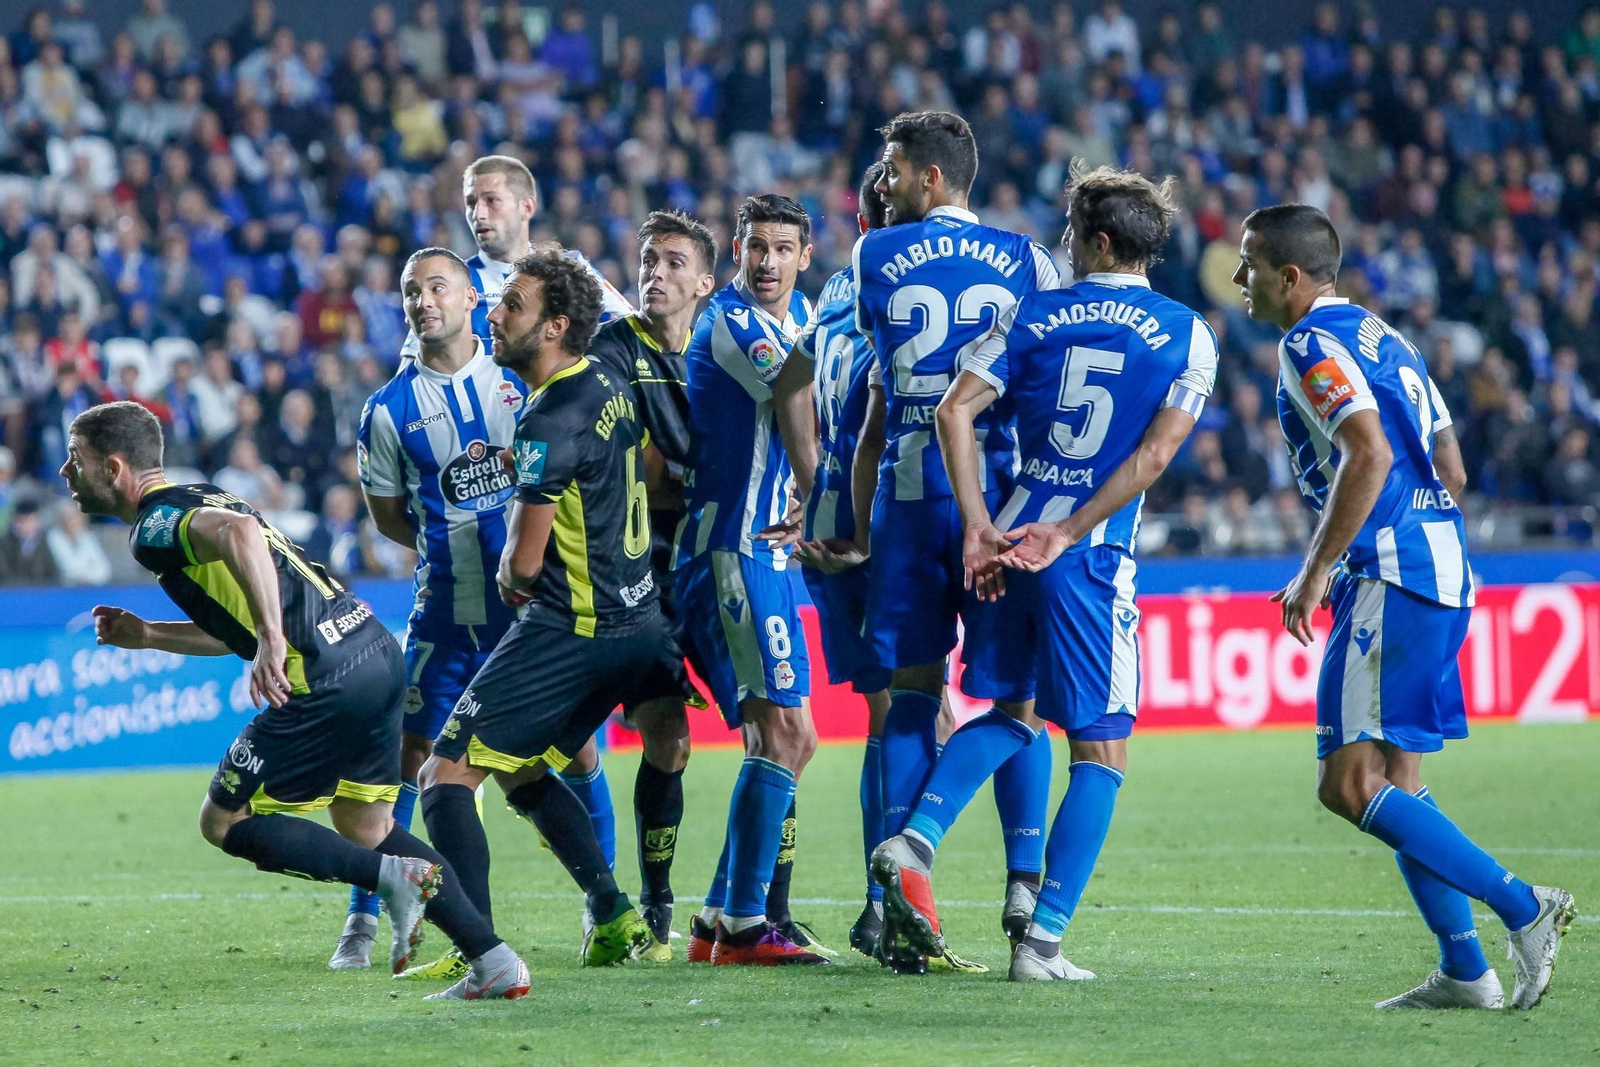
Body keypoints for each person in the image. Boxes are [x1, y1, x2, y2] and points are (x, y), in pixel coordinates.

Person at [874, 165, 1218, 983]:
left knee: (1016, 709)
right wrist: (1069, 530)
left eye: (1069, 234)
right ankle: (1044, 942)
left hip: (1013, 533)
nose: (1064, 245)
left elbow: (954, 409)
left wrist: (981, 529)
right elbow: (1156, 454)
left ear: (1094, 240)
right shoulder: (1185, 330)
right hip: (1085, 552)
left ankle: (912, 835)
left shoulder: (1034, 313)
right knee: (1102, 752)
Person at [59, 400, 528, 1000]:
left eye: (76, 462)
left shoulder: (154, 528)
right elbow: (246, 615)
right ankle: (494, 961)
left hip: (324, 676)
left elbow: (241, 537)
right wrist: (150, 635)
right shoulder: (203, 493)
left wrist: (275, 643)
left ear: (116, 468)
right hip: (373, 650)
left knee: (222, 820)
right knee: (366, 823)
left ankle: (396, 881)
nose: (66, 475)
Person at [1233, 203, 1574, 1011]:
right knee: (1399, 779)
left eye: (1249, 264)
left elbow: (1370, 449)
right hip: (1440, 562)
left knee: (1348, 784)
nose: (1239, 278)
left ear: (1290, 277)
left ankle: (1526, 907)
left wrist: (1319, 569)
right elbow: (1448, 467)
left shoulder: (1308, 343)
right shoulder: (1389, 340)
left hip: (1391, 571)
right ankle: (1465, 969)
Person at [418, 249, 684, 968]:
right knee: (519, 764)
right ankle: (615, 912)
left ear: (554, 327)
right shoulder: (606, 375)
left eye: (511, 305)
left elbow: (524, 566)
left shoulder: (547, 420)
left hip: (575, 629)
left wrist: (509, 565)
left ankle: (482, 954)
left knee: (442, 777)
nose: (495, 315)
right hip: (642, 619)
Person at [846, 111, 1060, 964]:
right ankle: (1024, 879)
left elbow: (882, 356)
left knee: (910, 692)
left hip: (908, 491)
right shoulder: (1025, 258)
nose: (882, 183)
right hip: (998, 495)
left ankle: (902, 895)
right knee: (1017, 700)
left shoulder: (870, 255)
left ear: (931, 177)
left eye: (893, 169)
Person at [337, 246, 520, 972]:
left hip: (523, 614)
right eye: (411, 291)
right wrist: (450, 541)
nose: (421, 300)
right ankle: (363, 917)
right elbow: (389, 517)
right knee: (406, 761)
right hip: (443, 615)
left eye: (435, 286)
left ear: (472, 296)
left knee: (572, 755)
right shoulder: (386, 409)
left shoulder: (516, 380)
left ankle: (610, 912)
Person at [675, 194, 829, 966]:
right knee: (788, 732)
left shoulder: (797, 318)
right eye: (754, 246)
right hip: (734, 548)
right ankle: (740, 924)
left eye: (782, 248)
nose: (766, 261)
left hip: (763, 551)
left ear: (805, 256)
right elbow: (795, 390)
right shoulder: (733, 321)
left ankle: (717, 915)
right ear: (736, 251)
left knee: (779, 737)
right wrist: (824, 502)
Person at [767, 163, 898, 959]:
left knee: (895, 717)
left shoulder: (835, 296)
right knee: (926, 715)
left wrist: (813, 488)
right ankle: (889, 900)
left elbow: (791, 382)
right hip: (887, 528)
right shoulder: (912, 289)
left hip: (833, 529)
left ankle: (884, 901)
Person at [584, 209, 718, 960]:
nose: (655, 274)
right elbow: (638, 474)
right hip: (636, 577)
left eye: (673, 263)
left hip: (720, 562)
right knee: (667, 736)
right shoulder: (613, 349)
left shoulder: (726, 347)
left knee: (782, 731)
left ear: (704, 281)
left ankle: (762, 909)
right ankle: (654, 899)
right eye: (646, 260)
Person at [397, 154, 631, 363]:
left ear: (526, 207)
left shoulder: (572, 269)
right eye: (471, 203)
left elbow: (631, 330)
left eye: (492, 200)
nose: (478, 214)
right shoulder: (451, 283)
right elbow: (412, 378)